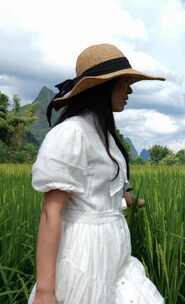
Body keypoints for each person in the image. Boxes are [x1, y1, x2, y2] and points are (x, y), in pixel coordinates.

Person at [28, 43, 166, 304]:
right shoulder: (71, 133)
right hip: (85, 253)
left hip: (115, 249)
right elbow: (51, 211)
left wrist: (132, 201)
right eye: (125, 83)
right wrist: (46, 291)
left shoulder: (106, 136)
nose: (131, 90)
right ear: (104, 87)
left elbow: (100, 187)